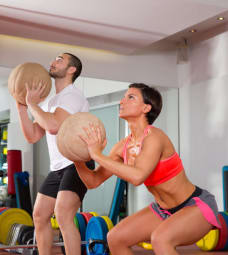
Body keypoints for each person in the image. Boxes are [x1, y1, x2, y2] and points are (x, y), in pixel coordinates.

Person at [74, 83, 221, 255]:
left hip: (195, 207)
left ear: (146, 107)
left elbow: (138, 177)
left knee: (160, 239)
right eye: (124, 97)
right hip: (163, 210)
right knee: (115, 238)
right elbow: (93, 181)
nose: (122, 101)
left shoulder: (154, 137)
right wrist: (76, 159)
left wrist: (97, 155)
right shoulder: (122, 146)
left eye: (131, 97)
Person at [16, 53, 94, 255]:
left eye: (59, 59)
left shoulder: (72, 96)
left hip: (78, 163)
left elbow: (53, 126)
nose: (53, 62)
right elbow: (32, 136)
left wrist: (33, 104)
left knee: (63, 214)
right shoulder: (52, 102)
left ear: (72, 69)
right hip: (59, 167)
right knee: (40, 215)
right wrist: (22, 107)